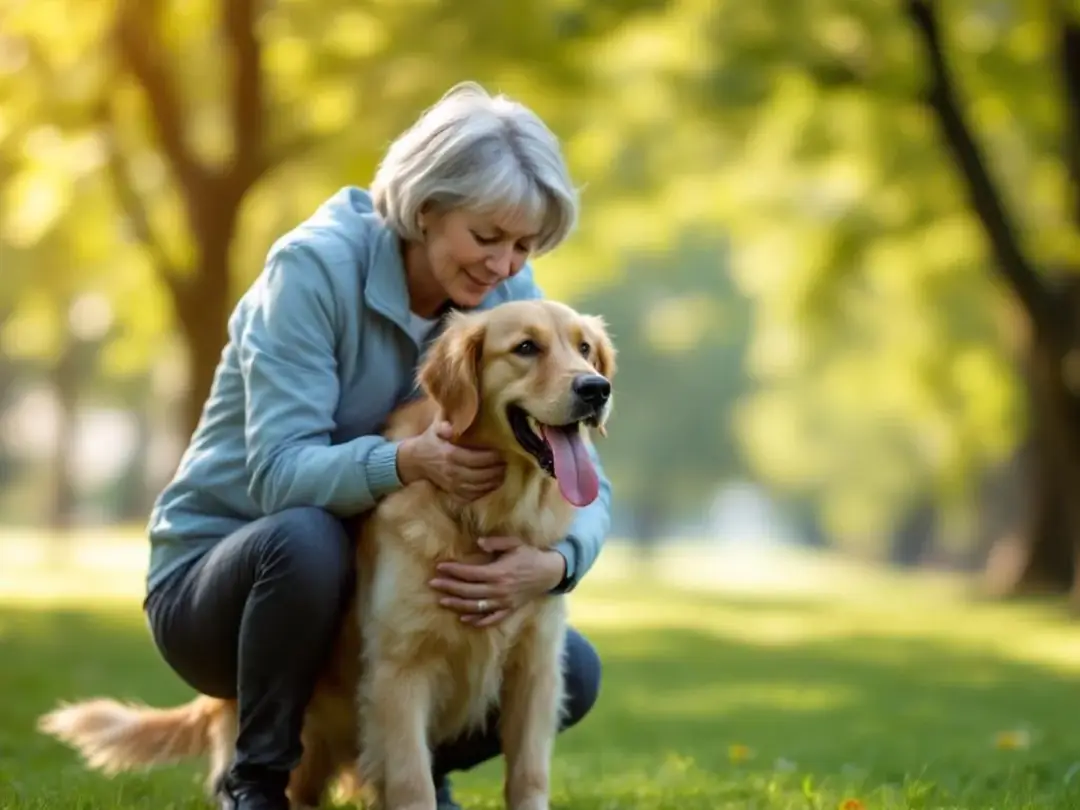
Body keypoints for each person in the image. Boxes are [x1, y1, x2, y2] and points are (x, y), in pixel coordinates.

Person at [142, 81, 612, 810]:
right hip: (225, 584)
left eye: (524, 245)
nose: (503, 265)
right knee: (307, 540)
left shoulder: (504, 290)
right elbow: (277, 475)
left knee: (571, 666)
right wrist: (406, 461)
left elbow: (589, 483)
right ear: (425, 208)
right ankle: (258, 784)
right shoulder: (311, 270)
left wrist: (553, 563)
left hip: (365, 584)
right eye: (487, 237)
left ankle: (411, 773)